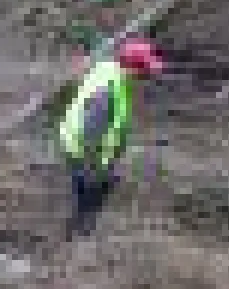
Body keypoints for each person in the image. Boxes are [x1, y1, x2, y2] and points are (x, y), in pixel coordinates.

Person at [58, 36, 163, 236]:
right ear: (134, 68)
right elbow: (90, 129)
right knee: (88, 190)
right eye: (146, 70)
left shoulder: (113, 73)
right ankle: (79, 233)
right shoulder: (108, 89)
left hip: (87, 143)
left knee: (102, 184)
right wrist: (95, 164)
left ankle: (85, 223)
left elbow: (114, 120)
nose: (148, 76)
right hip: (82, 147)